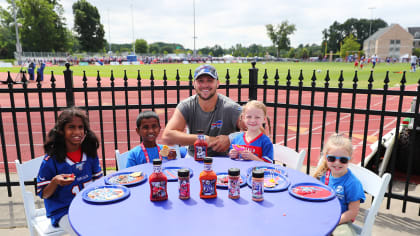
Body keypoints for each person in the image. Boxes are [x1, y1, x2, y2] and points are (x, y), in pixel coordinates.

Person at [37, 107, 103, 235]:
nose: (77, 131)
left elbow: (98, 182)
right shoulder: (51, 160)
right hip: (63, 211)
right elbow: (43, 194)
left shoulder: (90, 154)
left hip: (88, 204)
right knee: (86, 232)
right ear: (62, 131)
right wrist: (55, 181)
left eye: (80, 127)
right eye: (71, 127)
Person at [161, 64, 243, 157]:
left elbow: (257, 130)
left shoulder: (230, 107)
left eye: (210, 81)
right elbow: (167, 136)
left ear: (217, 83)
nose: (205, 85)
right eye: (200, 81)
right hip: (193, 158)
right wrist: (203, 139)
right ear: (194, 84)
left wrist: (230, 139)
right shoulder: (187, 105)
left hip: (223, 158)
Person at [313, 133, 365, 236]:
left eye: (343, 160)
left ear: (350, 159)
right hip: (322, 215)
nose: (337, 163)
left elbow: (352, 212)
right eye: (332, 158)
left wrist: (334, 222)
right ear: (326, 158)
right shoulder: (323, 174)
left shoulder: (352, 183)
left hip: (341, 220)